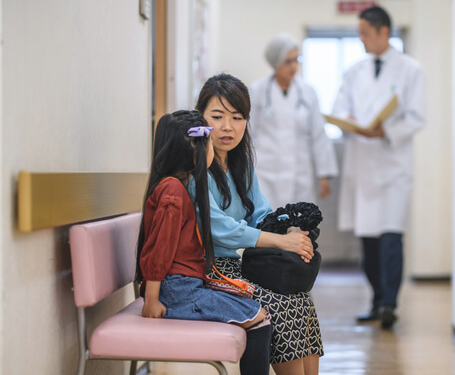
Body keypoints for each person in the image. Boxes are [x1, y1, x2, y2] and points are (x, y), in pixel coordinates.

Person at [194, 73, 323, 375]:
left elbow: (260, 213)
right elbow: (218, 227)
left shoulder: (241, 163)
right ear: (200, 119)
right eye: (217, 116)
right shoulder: (194, 165)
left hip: (234, 270)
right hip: (205, 272)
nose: (228, 127)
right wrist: (280, 242)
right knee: (279, 305)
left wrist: (288, 228)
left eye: (238, 117)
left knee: (301, 299)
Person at [135, 110, 272, 375]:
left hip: (182, 287)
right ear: (195, 150)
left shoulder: (175, 187)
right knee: (259, 318)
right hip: (177, 292)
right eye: (208, 140)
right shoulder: (173, 191)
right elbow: (159, 250)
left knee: (256, 309)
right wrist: (152, 300)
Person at [331, 5, 426, 329]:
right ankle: (375, 301)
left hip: (392, 165)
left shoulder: (411, 69)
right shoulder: (355, 70)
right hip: (363, 163)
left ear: (384, 32)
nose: (361, 40)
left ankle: (389, 303)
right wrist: (352, 121)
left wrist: (385, 130)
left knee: (390, 238)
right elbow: (340, 108)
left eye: (365, 34)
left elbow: (416, 117)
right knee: (368, 242)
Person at [249, 32, 338, 208]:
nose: (293, 66)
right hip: (266, 173)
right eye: (287, 61)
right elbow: (249, 133)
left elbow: (319, 135)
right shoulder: (257, 91)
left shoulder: (308, 92)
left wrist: (324, 174)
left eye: (296, 60)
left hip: (300, 173)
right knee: (268, 224)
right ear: (275, 63)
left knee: (299, 227)